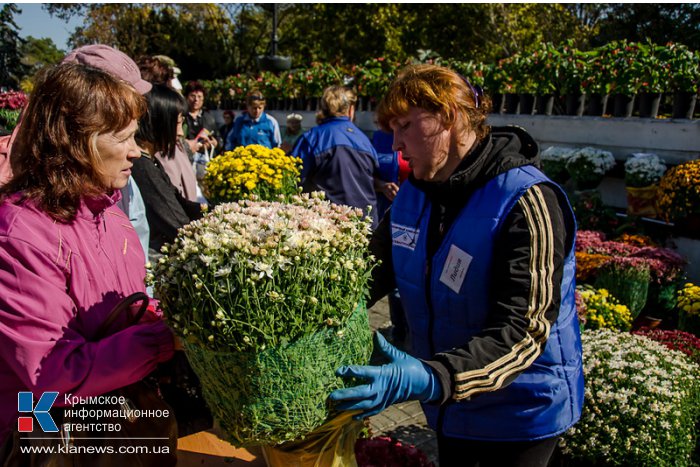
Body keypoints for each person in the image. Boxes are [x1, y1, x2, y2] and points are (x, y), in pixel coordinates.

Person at [330, 64, 584, 467]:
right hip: (450, 405)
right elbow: (368, 272)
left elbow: (524, 331)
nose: (395, 144)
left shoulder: (527, 200)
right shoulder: (414, 195)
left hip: (519, 414)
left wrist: (435, 376)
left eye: (405, 125)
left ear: (448, 117)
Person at [0, 63, 175, 447]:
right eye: (123, 138)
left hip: (109, 420)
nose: (135, 153)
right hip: (44, 435)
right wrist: (162, 341)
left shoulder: (110, 216)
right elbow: (51, 372)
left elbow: (127, 309)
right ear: (75, 141)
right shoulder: (20, 234)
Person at [132, 84, 205, 257]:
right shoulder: (141, 167)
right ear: (159, 124)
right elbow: (178, 223)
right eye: (177, 124)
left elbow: (178, 201)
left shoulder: (150, 160)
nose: (180, 134)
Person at [290, 86, 380, 228]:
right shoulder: (364, 140)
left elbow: (292, 179)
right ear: (351, 110)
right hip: (366, 224)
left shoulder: (312, 138)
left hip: (328, 228)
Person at [183, 81, 220, 180]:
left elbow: (218, 139)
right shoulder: (181, 117)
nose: (196, 100)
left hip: (205, 163)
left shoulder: (209, 118)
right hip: (186, 162)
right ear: (186, 97)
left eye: (199, 96)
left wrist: (214, 143)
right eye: (192, 96)